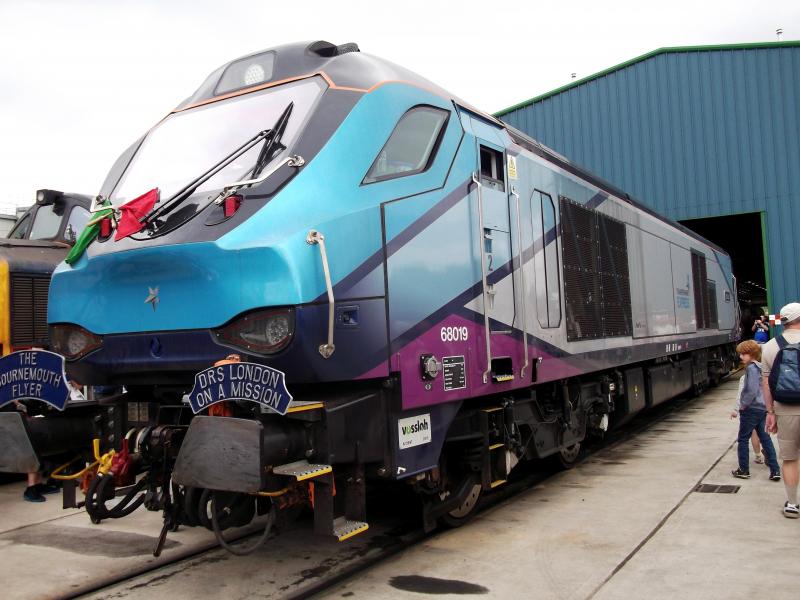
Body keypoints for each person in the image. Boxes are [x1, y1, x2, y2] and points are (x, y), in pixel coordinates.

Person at [763, 302, 800, 518]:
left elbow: (766, 384)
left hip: (785, 410)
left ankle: (793, 504)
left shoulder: (770, 346)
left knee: (789, 459)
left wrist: (770, 412)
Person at [730, 340, 780, 480]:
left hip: (751, 409)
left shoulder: (751, 368)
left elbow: (751, 391)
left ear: (751, 354)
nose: (741, 357)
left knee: (743, 439)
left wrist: (743, 405)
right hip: (763, 408)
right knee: (766, 439)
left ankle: (744, 470)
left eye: (743, 354)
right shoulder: (761, 367)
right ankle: (775, 470)